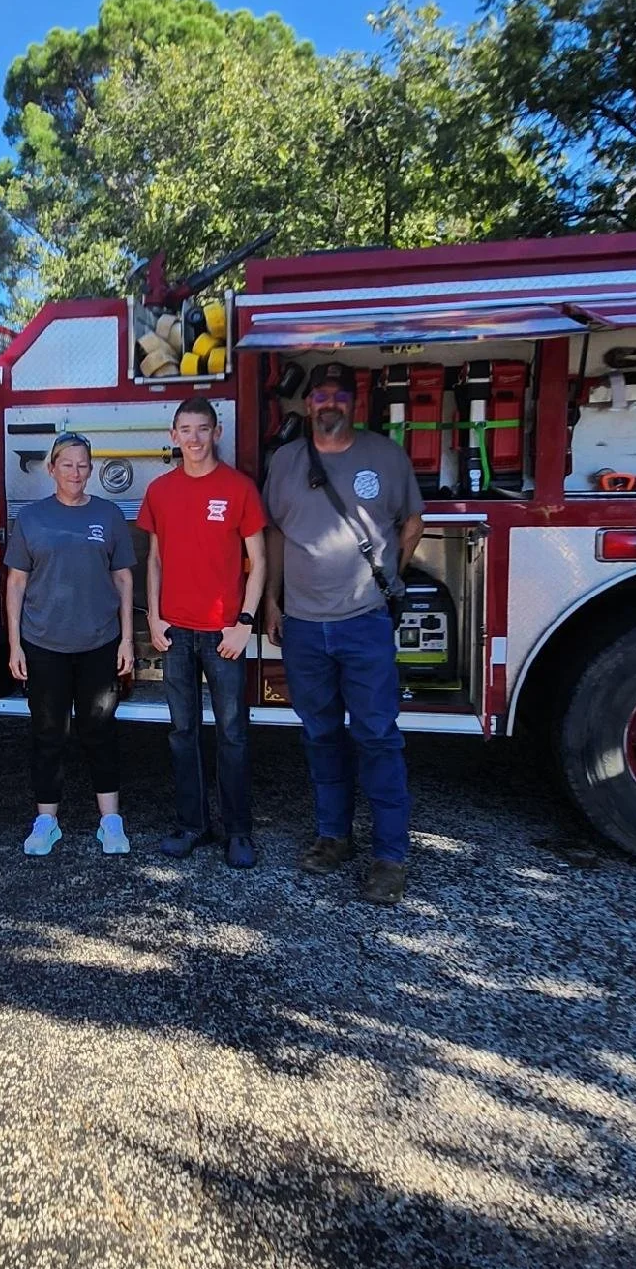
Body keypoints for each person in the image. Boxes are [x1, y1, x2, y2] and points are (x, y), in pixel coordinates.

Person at [262, 361, 424, 904]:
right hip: (304, 626)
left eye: (337, 396)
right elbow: (276, 536)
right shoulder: (285, 461)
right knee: (320, 734)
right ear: (306, 405)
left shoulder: (384, 456)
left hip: (363, 621)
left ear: (354, 404)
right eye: (318, 396)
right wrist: (272, 602)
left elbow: (411, 522)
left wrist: (391, 578)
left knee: (377, 735)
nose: (327, 404)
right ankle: (334, 837)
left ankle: (390, 856)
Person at [138, 396, 267, 869]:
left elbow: (259, 562)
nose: (193, 438)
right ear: (173, 436)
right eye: (184, 430)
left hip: (223, 636)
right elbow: (153, 559)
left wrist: (244, 623)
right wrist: (153, 616)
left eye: (202, 429)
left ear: (216, 433)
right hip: (175, 633)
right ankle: (192, 825)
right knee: (182, 732)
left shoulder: (238, 489)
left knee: (233, 734)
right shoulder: (161, 490)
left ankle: (238, 831)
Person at [5, 431, 137, 855]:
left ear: (92, 469)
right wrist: (14, 645)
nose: (76, 472)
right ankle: (46, 822)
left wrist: (127, 642)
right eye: (67, 464)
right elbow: (16, 584)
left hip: (99, 641)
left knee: (100, 732)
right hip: (44, 643)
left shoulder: (109, 514)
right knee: (48, 734)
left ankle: (110, 823)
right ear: (51, 469)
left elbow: (123, 578)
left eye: (83, 465)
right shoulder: (31, 518)